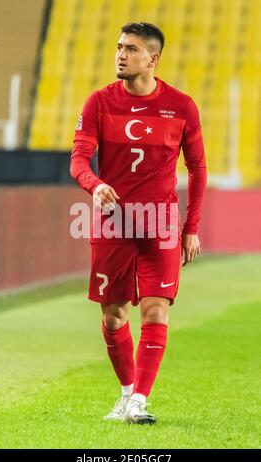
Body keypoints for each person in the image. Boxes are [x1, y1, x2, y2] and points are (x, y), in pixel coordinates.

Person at [70, 22, 207, 425]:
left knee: (154, 311)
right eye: (118, 47)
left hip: (160, 223)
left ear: (153, 58)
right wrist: (94, 185)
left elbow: (198, 169)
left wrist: (191, 228)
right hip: (113, 224)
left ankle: (139, 402)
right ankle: (127, 393)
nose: (121, 54)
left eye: (130, 48)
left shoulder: (181, 106)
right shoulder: (98, 102)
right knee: (113, 316)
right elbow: (79, 157)